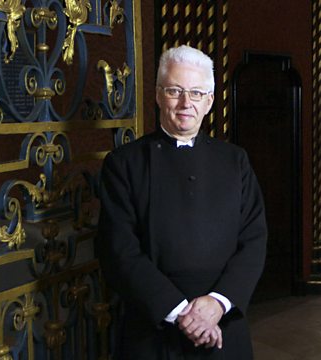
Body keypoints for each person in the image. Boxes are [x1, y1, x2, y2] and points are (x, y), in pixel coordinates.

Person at [96, 45, 267, 359]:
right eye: (175, 91)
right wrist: (180, 313)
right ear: (159, 95)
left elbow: (254, 241)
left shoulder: (235, 161)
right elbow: (118, 249)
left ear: (210, 102)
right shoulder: (124, 164)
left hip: (223, 328)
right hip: (153, 327)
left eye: (197, 93)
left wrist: (218, 303)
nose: (186, 103)